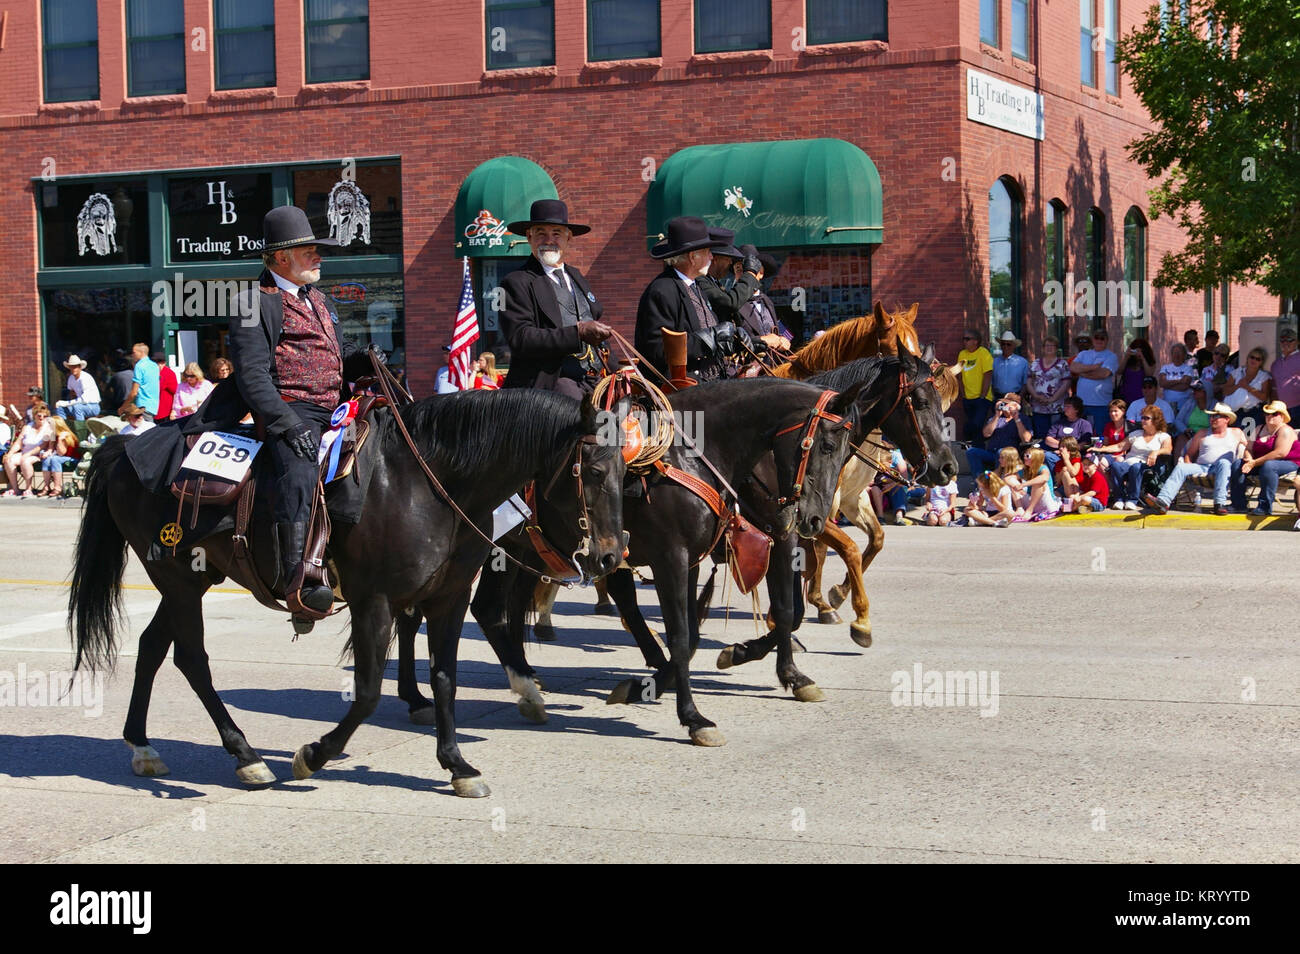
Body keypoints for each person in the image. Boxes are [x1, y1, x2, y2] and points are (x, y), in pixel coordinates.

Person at [499, 199, 613, 398]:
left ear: (569, 238)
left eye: (557, 233)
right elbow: (520, 338)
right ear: (529, 237)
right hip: (550, 385)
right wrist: (577, 333)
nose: (549, 240)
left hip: (593, 380)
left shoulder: (577, 277)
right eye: (541, 233)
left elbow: (594, 334)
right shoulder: (514, 282)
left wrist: (619, 366)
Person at [635, 216, 739, 383]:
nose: (712, 257)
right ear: (692, 257)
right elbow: (657, 350)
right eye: (707, 252)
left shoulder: (696, 286)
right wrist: (709, 339)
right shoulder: (661, 291)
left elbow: (709, 331)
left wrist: (735, 339)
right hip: (681, 392)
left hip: (712, 384)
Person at [1144, 404, 1247, 515]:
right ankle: (1163, 501)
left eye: (1216, 416)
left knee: (1224, 462)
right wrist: (1188, 466)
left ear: (1227, 419)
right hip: (1202, 467)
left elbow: (1248, 448)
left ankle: (1219, 504)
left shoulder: (1236, 432)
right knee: (1181, 467)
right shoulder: (1202, 433)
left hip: (1223, 468)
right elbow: (1189, 453)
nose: (1212, 419)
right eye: (1211, 416)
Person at [1095, 405, 1173, 509]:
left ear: (1156, 420)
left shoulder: (1163, 436)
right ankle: (1119, 499)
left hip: (1147, 465)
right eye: (1142, 418)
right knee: (1116, 466)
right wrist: (1100, 449)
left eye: (1146, 418)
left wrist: (1156, 452)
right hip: (1129, 462)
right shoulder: (1136, 434)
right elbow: (1119, 446)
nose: (1143, 420)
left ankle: (1132, 500)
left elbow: (1168, 449)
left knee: (1136, 467)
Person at [1230, 401, 1300, 515]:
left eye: (1274, 414)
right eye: (1267, 413)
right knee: (1238, 464)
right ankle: (1238, 504)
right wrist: (1248, 459)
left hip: (1289, 462)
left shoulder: (1285, 430)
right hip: (1260, 462)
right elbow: (1249, 448)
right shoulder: (1258, 428)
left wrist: (1254, 463)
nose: (1269, 416)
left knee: (1269, 466)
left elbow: (1280, 453)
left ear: (1282, 416)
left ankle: (1265, 506)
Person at [735, 246, 792, 354]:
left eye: (749, 271)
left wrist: (784, 339)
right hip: (747, 368)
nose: (744, 276)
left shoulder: (767, 301)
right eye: (739, 270)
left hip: (773, 366)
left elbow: (779, 328)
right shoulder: (731, 303)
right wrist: (763, 340)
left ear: (761, 273)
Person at [965, 392, 1032, 476]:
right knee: (971, 451)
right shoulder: (996, 418)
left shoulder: (1023, 419)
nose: (1003, 406)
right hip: (991, 453)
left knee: (1001, 452)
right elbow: (986, 434)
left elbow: (1026, 439)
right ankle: (980, 483)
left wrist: (1016, 419)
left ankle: (998, 483)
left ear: (1015, 406)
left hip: (1010, 455)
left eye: (1006, 404)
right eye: (1002, 403)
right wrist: (996, 416)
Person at [1070, 328, 1120, 432]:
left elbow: (1103, 374)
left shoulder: (1111, 356)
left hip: (1101, 404)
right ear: (1093, 339)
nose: (1099, 340)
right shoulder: (1083, 354)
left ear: (1107, 340)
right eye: (1097, 337)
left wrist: (1082, 372)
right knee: (1080, 434)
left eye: (1102, 338)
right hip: (1081, 403)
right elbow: (1073, 367)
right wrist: (1093, 367)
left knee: (1099, 436)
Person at [951, 328, 993, 443]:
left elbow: (988, 375)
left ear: (976, 341)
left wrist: (982, 396)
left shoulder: (983, 353)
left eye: (967, 339)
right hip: (968, 398)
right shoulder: (962, 354)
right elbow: (959, 375)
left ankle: (976, 448)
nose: (964, 342)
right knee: (975, 427)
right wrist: (963, 394)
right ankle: (976, 449)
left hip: (982, 398)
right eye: (963, 339)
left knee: (975, 424)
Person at [2, 405, 54, 496]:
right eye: (39, 415)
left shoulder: (49, 428)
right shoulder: (27, 427)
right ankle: (15, 489)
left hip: (39, 454)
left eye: (45, 416)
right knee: (9, 460)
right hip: (25, 452)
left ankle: (28, 488)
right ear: (34, 416)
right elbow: (19, 443)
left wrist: (28, 454)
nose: (42, 418)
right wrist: (10, 453)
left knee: (25, 461)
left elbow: (43, 445)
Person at [1026, 335, 1071, 438]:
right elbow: (1029, 382)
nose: (1049, 348)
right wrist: (1036, 396)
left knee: (1057, 436)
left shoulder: (1062, 364)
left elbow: (1066, 384)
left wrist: (1052, 399)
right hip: (1038, 407)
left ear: (1056, 348)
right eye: (1047, 346)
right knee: (1040, 436)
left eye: (1052, 346)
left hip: (1056, 407)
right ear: (1042, 348)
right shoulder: (1035, 363)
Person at [1223, 345, 1273, 430]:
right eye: (1252, 357)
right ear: (1247, 358)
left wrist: (1248, 387)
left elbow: (1264, 397)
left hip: (1254, 413)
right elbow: (1225, 391)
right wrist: (1238, 385)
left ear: (1261, 362)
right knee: (1236, 438)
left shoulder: (1264, 376)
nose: (1254, 360)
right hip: (1236, 412)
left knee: (1250, 439)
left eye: (1258, 359)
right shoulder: (1237, 372)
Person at [1043, 396, 1094, 470]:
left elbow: (1085, 443)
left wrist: (1066, 450)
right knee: (1047, 455)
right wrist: (1062, 449)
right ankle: (1055, 479)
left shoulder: (1084, 424)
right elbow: (1048, 440)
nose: (1065, 409)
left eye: (1068, 407)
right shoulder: (1059, 423)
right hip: (1058, 454)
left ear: (1076, 409)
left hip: (1075, 455)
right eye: (1065, 406)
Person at [117, 342, 160, 422]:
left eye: (134, 352)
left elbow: (134, 392)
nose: (132, 355)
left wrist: (123, 407)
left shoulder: (139, 366)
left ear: (141, 353)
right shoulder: (154, 366)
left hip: (142, 406)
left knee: (144, 433)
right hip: (153, 406)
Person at [38, 416, 80, 496]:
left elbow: (61, 453)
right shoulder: (53, 435)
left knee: (55, 459)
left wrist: (60, 440)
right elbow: (51, 449)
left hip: (72, 459)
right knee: (47, 459)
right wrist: (46, 453)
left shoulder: (65, 435)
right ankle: (46, 487)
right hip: (60, 458)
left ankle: (57, 487)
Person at [1158, 342, 1197, 422]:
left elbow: (1184, 387)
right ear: (1171, 354)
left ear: (1184, 355)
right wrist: (1179, 381)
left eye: (1179, 352)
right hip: (1167, 404)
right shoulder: (1165, 367)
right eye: (1175, 352)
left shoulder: (1188, 369)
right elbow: (1162, 383)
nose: (1177, 355)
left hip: (1183, 405)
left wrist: (1168, 384)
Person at [56, 354, 102, 420]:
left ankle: (80, 430)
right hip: (79, 405)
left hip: (93, 406)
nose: (73, 368)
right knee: (60, 408)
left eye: (75, 366)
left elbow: (83, 399)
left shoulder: (85, 378)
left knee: (77, 408)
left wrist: (65, 403)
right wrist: (65, 404)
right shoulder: (71, 378)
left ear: (80, 367)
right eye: (71, 366)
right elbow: (72, 394)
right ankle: (64, 428)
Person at [1270, 326, 1300, 423]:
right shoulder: (1275, 364)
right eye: (1282, 340)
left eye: (1289, 340)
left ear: (1297, 342)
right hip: (1282, 410)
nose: (1285, 343)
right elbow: (1274, 389)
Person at [992, 330, 1029, 400]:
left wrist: (1019, 398)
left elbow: (1026, 383)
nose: (1005, 346)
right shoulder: (994, 362)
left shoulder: (1022, 362)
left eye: (1008, 344)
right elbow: (990, 382)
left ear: (1014, 346)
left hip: (1015, 397)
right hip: (998, 398)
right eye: (1003, 344)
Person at [1119, 337, 1156, 405]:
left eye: (1141, 350)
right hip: (1125, 398)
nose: (1137, 353)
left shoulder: (1149, 362)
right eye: (1135, 350)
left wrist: (1142, 358)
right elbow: (1119, 372)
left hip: (1142, 399)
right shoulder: (1128, 361)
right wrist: (1126, 357)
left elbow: (1149, 374)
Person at [152, 351, 178, 421]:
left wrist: (173, 410)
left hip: (164, 412)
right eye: (156, 362)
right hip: (151, 409)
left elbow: (175, 392)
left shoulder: (169, 373)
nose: (159, 365)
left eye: (161, 362)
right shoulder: (149, 372)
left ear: (165, 363)